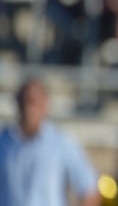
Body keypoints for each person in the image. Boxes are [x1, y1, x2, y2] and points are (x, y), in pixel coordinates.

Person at [0, 78, 100, 206]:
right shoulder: (4, 142)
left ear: (45, 105)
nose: (29, 109)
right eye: (25, 102)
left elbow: (89, 190)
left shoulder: (61, 144)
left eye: (34, 102)